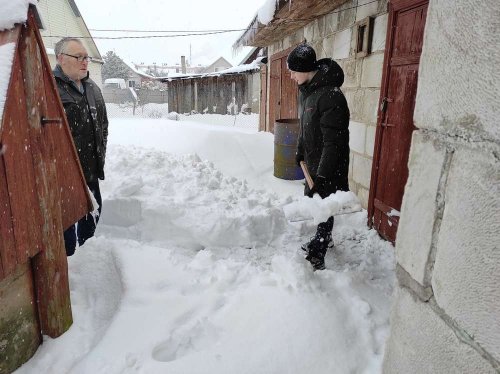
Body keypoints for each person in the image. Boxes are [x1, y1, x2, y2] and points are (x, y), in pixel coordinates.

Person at [288, 43, 350, 270]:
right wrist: (299, 152)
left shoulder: (331, 96)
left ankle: (318, 254)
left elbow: (334, 142)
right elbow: (306, 128)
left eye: (294, 71)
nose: (291, 76)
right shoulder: (308, 93)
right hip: (314, 161)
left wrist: (323, 176)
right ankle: (325, 238)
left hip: (330, 165)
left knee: (324, 203)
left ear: (306, 69)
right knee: (318, 203)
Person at [53, 37, 108, 256]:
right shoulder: (50, 87)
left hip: (90, 173)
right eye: (78, 57)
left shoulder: (92, 88)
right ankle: (68, 271)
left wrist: (98, 156)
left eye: (86, 57)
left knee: (92, 219)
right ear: (61, 59)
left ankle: (86, 264)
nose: (84, 61)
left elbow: (103, 125)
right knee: (66, 233)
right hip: (62, 177)